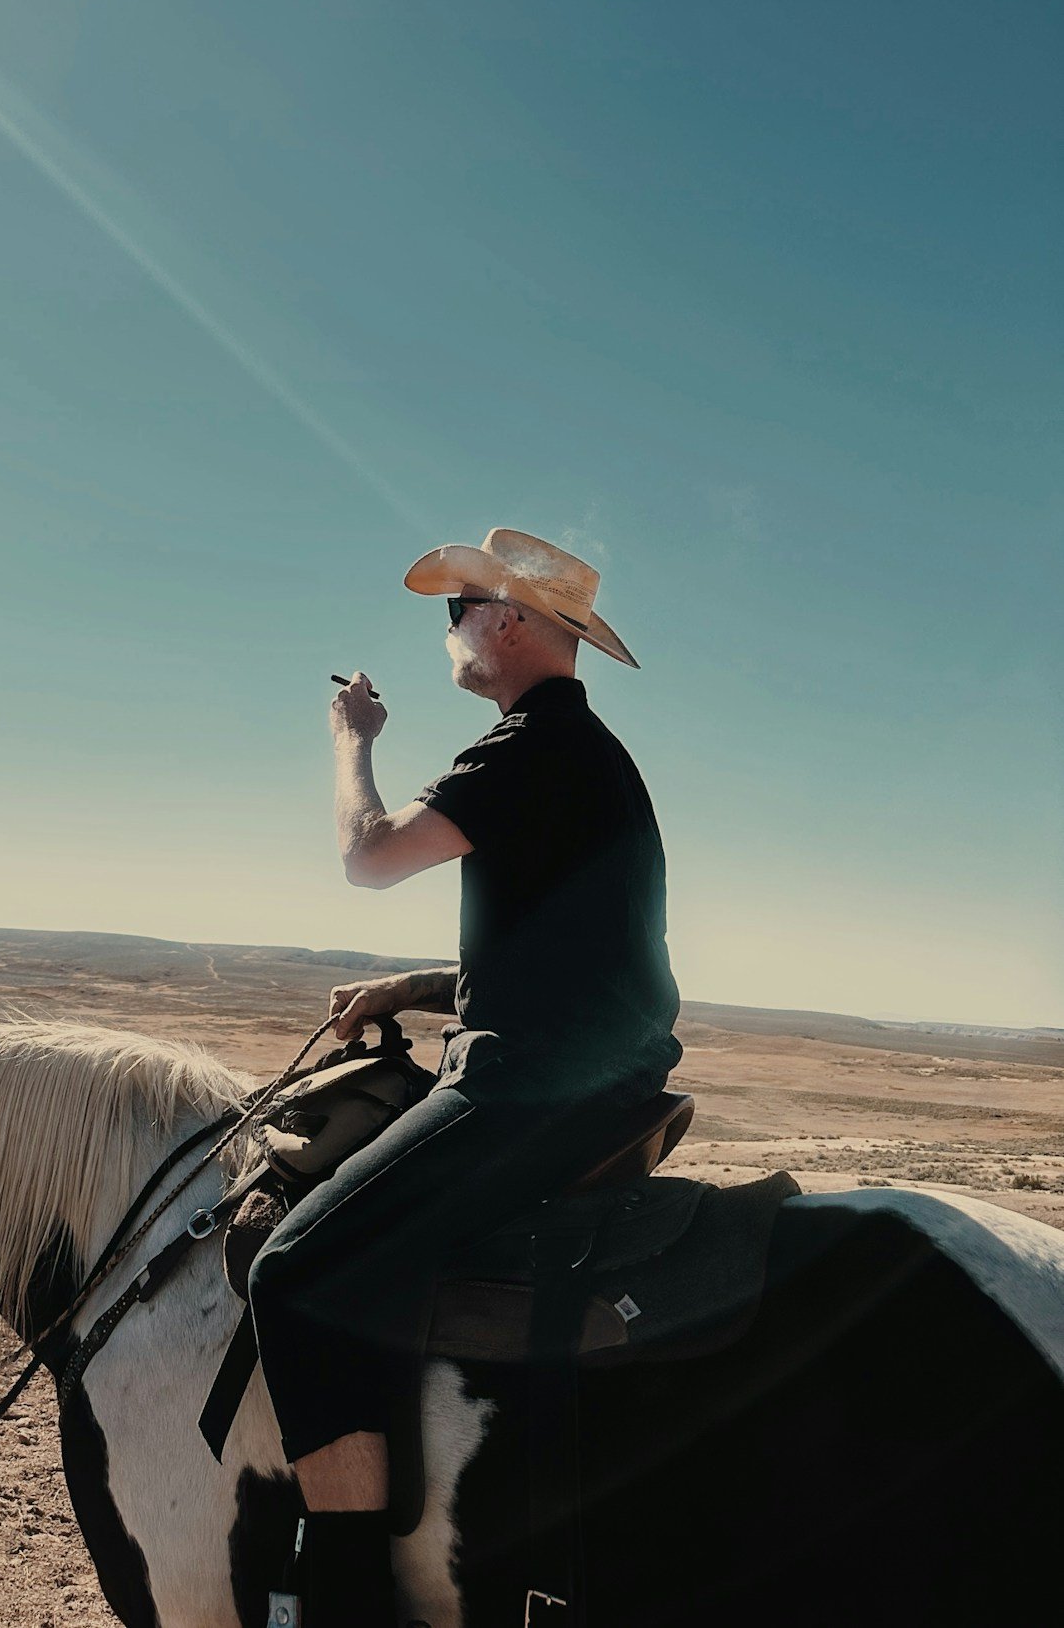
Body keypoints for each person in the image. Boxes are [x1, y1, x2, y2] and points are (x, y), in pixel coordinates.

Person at [248, 528, 681, 1628]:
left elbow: (369, 855)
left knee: (291, 1274)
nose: (447, 632)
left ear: (509, 621)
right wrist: (414, 985)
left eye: (457, 610)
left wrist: (351, 742)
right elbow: (575, 957)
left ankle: (345, 1597)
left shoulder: (525, 748)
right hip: (596, 1078)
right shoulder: (589, 755)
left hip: (526, 1091)